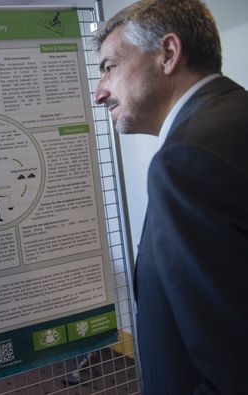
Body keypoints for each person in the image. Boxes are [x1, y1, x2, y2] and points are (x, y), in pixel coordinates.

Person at [93, 0, 248, 393]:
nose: (100, 93)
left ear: (168, 54)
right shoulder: (234, 118)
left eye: (110, 67)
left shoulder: (185, 161)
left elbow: (231, 369)